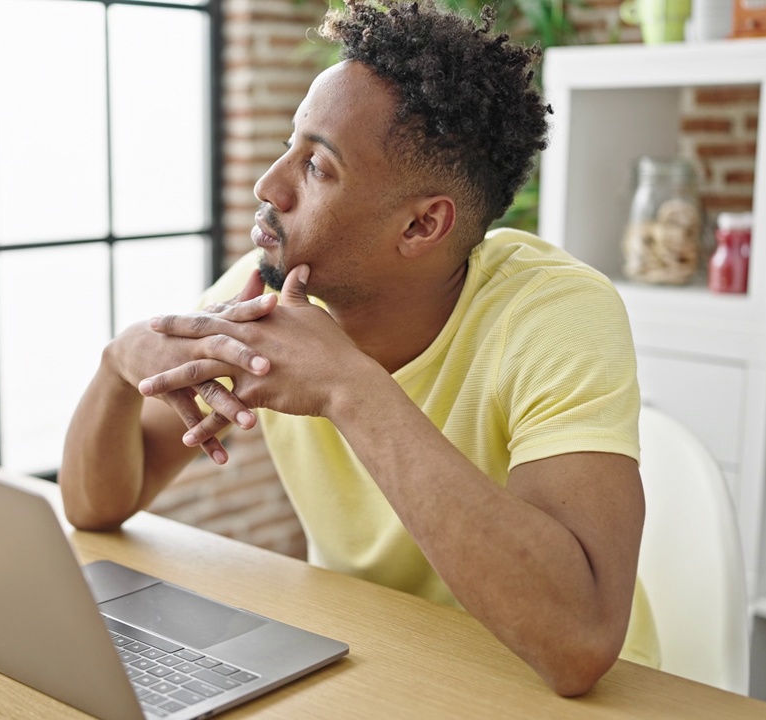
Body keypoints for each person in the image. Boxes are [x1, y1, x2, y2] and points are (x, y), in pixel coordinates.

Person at [60, 0, 657, 696]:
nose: (268, 185)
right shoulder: (267, 291)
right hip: (374, 666)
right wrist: (115, 368)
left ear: (421, 225)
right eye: (291, 144)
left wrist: (348, 386)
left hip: (545, 689)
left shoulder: (554, 313)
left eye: (316, 166)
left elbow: (576, 643)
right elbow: (96, 505)